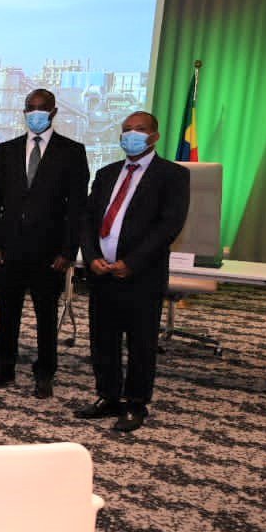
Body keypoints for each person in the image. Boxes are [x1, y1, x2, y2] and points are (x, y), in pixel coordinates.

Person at [77, 111, 189, 432]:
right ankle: (108, 396)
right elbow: (88, 219)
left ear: (154, 136)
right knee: (103, 339)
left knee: (141, 342)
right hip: (103, 272)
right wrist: (91, 256)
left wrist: (133, 262)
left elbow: (169, 226)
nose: (131, 135)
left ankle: (136, 403)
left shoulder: (173, 175)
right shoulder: (107, 173)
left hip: (142, 275)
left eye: (139, 130)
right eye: (126, 130)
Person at [0, 88, 88, 399]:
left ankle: (44, 373)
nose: (36, 113)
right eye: (31, 107)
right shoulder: (7, 149)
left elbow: (77, 207)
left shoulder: (72, 151)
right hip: (9, 248)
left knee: (45, 316)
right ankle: (4, 368)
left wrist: (68, 251)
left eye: (42, 108)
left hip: (49, 251)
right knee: (7, 313)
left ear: (53, 112)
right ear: (24, 112)